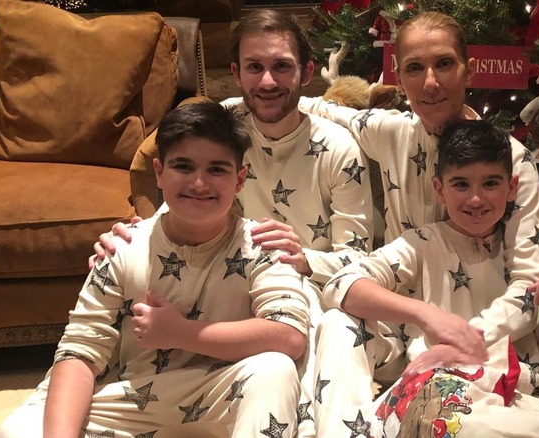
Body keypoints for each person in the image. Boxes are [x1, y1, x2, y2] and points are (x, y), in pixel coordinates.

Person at [299, 12, 539, 437]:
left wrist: (465, 336)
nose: (430, 82)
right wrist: (229, 105)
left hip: (506, 323)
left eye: (444, 63)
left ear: (469, 69)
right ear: (398, 76)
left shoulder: (511, 157)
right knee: (336, 323)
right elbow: (317, 107)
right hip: (411, 326)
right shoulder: (387, 132)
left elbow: (529, 275)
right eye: (414, 68)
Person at [92, 9, 374, 436]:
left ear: (306, 72)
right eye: (254, 67)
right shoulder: (223, 123)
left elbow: (357, 255)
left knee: (322, 344)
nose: (267, 82)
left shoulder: (338, 148)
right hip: (232, 281)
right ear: (236, 73)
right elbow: (176, 181)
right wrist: (137, 231)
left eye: (281, 67)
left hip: (308, 293)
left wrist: (304, 258)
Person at [0, 101, 311, 438]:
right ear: (159, 173)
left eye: (217, 169)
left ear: (239, 180)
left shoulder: (263, 244)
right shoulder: (122, 247)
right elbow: (79, 351)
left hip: (221, 396)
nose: (200, 184)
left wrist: (182, 333)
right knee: (20, 429)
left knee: (274, 370)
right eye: (184, 166)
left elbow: (290, 337)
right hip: (131, 398)